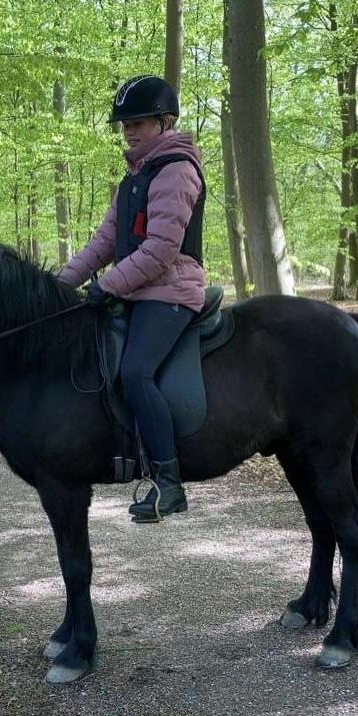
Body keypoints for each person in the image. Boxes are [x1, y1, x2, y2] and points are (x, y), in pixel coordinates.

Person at [57, 75, 207, 523]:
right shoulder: (134, 179)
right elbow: (103, 242)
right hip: (139, 289)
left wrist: (106, 286)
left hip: (170, 290)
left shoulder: (177, 169)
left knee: (136, 370)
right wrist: (61, 285)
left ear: (165, 122)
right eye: (124, 125)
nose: (129, 131)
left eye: (138, 122)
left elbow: (161, 249)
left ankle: (168, 483)